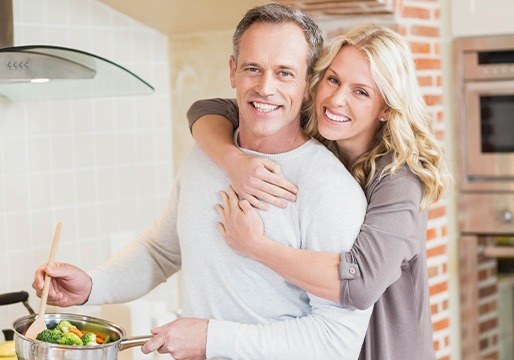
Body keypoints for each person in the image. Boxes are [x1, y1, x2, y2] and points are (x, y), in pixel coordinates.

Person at [33, 4, 373, 359]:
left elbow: (337, 341)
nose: (265, 87)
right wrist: (91, 285)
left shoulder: (329, 190)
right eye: (252, 68)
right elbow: (161, 250)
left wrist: (211, 339)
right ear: (232, 71)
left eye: (285, 73)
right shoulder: (206, 156)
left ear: (308, 85)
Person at [186, 24, 451, 360]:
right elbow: (207, 109)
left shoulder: (400, 180)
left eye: (361, 92)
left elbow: (360, 283)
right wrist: (233, 161)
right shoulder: (322, 132)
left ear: (386, 108)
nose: (337, 100)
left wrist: (255, 246)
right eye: (334, 80)